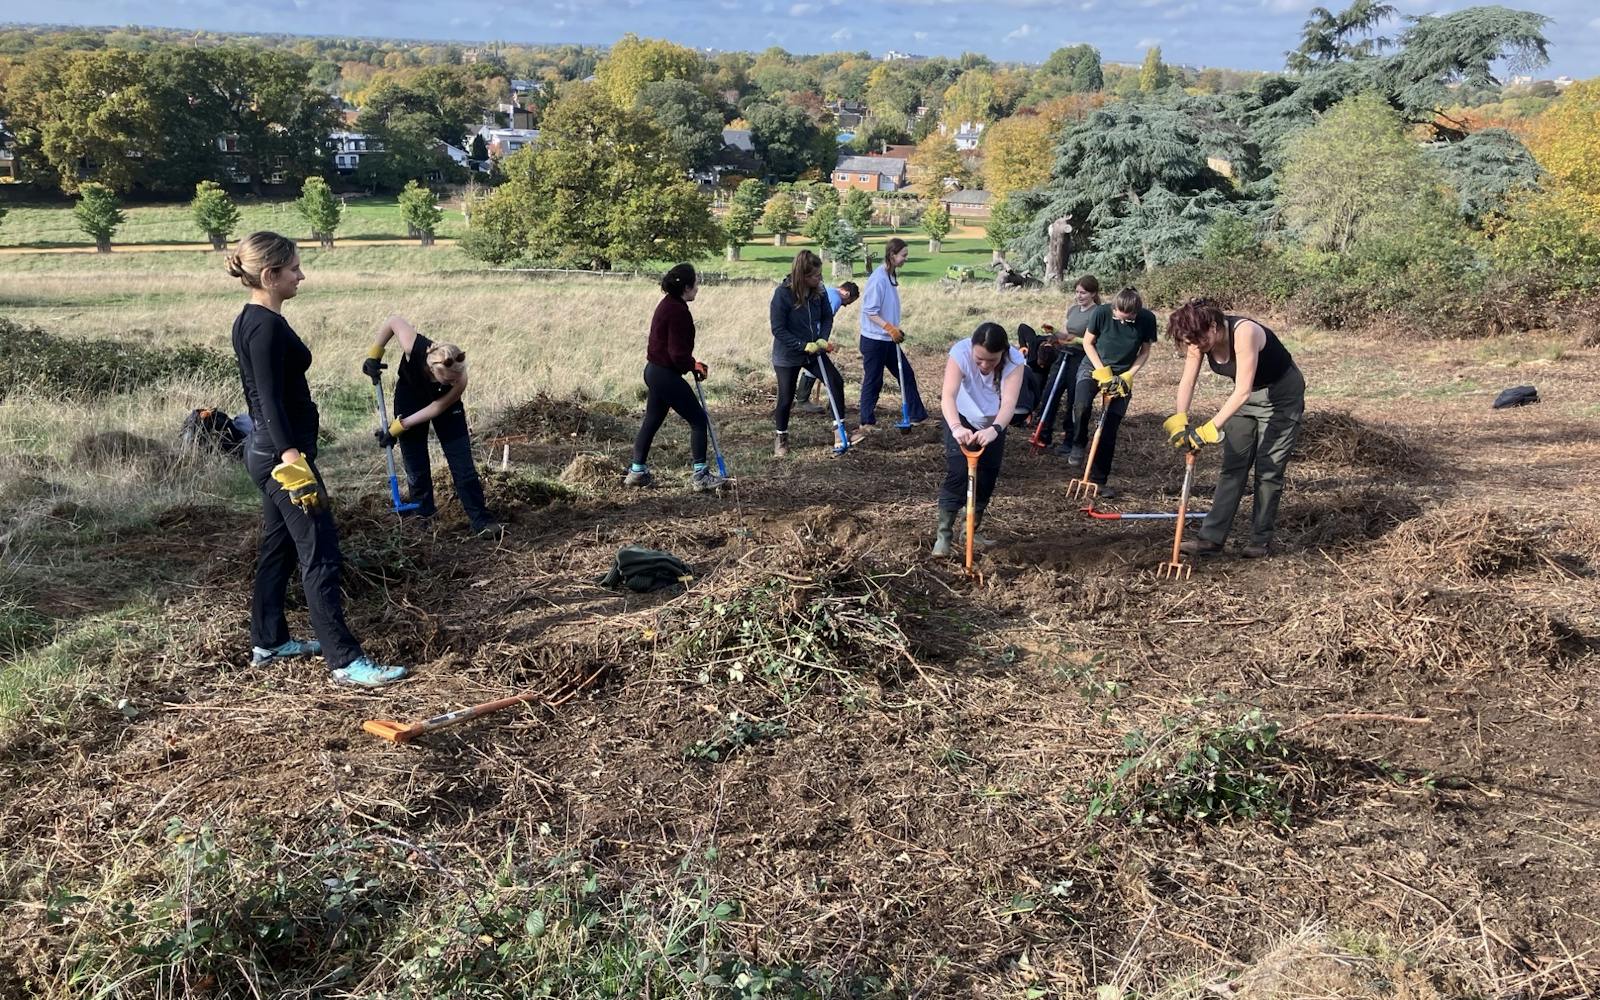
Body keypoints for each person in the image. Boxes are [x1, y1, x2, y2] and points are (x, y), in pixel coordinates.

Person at [227, 232, 408, 688]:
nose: (301, 275)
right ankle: (345, 661)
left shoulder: (249, 319)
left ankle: (268, 641)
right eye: (293, 269)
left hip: (271, 451)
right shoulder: (264, 326)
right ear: (270, 275)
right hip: (280, 456)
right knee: (320, 550)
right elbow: (266, 400)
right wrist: (293, 461)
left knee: (280, 546)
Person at [1164, 298, 1306, 559]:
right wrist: (1180, 421)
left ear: (1215, 326)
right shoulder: (1198, 339)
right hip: (1246, 398)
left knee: (1268, 469)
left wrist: (1208, 430)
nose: (1195, 345)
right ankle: (1211, 539)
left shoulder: (1245, 332)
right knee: (1233, 465)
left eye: (1199, 338)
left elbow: (1241, 391)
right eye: (1189, 341)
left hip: (1281, 395)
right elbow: (1187, 381)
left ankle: (1260, 540)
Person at [364, 316, 501, 538]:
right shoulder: (415, 347)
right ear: (435, 371)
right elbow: (393, 321)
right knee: (416, 466)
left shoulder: (459, 378)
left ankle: (481, 520)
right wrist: (374, 353)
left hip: (446, 408)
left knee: (463, 464)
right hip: (409, 397)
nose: (454, 382)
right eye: (448, 381)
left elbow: (437, 407)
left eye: (456, 378)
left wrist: (398, 427)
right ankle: (424, 521)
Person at [624, 263, 722, 491]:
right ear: (686, 287)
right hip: (665, 374)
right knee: (698, 419)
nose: (698, 288)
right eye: (696, 284)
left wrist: (690, 363)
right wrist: (693, 365)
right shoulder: (678, 311)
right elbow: (677, 354)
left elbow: (673, 350)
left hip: (654, 371)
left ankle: (637, 472)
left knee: (652, 419)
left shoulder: (668, 304)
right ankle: (701, 475)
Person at [932, 323, 1026, 557]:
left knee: (987, 476)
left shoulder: (1014, 361)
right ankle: (944, 535)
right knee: (958, 473)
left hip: (995, 421)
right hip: (961, 416)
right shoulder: (960, 353)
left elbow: (1009, 404)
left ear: (1002, 353)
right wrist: (956, 427)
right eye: (979, 359)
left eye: (992, 361)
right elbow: (948, 396)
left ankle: (970, 531)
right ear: (972, 350)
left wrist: (995, 428)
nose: (985, 366)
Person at [1066, 287, 1158, 499]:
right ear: (1114, 308)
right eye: (1119, 316)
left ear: (1136, 313)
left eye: (1129, 319)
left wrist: (1128, 376)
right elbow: (1088, 343)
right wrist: (1102, 372)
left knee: (1109, 428)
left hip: (1122, 374)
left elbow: (1144, 352)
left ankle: (1098, 480)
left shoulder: (1147, 319)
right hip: (1093, 365)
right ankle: (1078, 442)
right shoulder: (1101, 313)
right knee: (1081, 405)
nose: (1123, 321)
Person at [770, 250, 859, 457]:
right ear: (803, 276)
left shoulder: (819, 291)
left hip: (814, 351)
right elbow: (778, 329)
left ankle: (839, 430)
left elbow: (828, 317)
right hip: (788, 354)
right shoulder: (782, 294)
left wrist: (822, 338)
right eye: (815, 276)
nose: (820, 279)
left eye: (820, 275)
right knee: (785, 397)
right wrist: (802, 345)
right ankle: (781, 437)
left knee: (835, 381)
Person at [857, 237, 928, 432]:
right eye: (903, 255)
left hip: (888, 338)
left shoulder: (890, 276)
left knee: (906, 374)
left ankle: (917, 416)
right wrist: (889, 328)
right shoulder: (878, 279)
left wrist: (894, 330)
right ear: (892, 255)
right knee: (874, 380)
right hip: (874, 340)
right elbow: (870, 311)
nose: (906, 258)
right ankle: (866, 422)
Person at [1035, 275, 1099, 452]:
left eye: (1083, 293)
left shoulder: (1097, 313)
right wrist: (1054, 332)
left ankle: (1070, 440)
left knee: (1073, 399)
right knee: (1051, 393)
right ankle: (1043, 434)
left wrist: (1076, 341)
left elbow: (1093, 340)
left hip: (1080, 358)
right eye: (1077, 292)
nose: (1079, 296)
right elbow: (1065, 332)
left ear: (1093, 293)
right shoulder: (1073, 310)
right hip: (1063, 355)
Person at [797, 281, 859, 412]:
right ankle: (832, 405)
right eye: (849, 302)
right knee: (828, 373)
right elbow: (823, 320)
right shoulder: (835, 299)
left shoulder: (828, 291)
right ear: (846, 293)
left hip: (804, 335)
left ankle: (801, 399)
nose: (846, 306)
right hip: (812, 339)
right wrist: (821, 342)